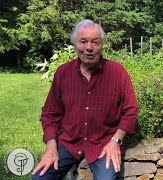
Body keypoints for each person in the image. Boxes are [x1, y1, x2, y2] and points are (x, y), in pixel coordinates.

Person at [32, 19, 138, 180]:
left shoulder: (117, 72)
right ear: (75, 44)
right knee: (40, 178)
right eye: (83, 41)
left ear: (102, 45)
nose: (89, 48)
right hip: (69, 144)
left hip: (103, 143)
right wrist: (51, 146)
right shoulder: (63, 73)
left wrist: (116, 140)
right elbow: (49, 113)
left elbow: (131, 110)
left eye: (95, 42)